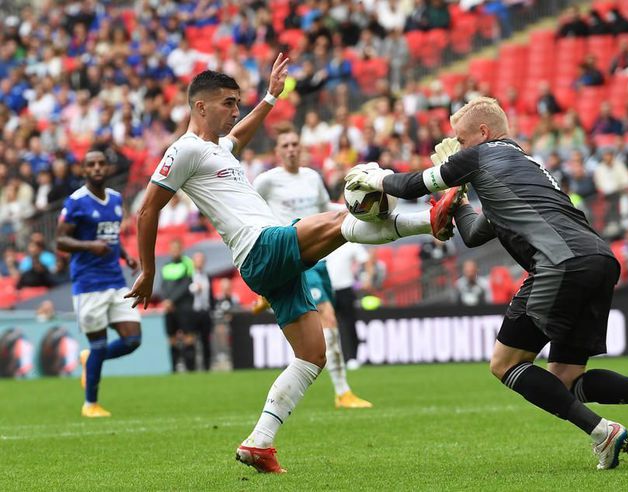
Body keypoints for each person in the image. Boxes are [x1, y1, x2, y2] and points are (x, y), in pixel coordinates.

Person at [124, 58, 462, 473]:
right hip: (260, 247)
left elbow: (238, 138)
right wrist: (149, 271)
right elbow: (147, 211)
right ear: (200, 107)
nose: (235, 111)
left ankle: (260, 442)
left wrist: (269, 98)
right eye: (229, 103)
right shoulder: (184, 149)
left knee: (312, 354)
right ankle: (430, 220)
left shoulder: (215, 150)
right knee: (341, 219)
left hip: (267, 262)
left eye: (237, 103)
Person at [345, 96, 628, 469]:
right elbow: (474, 233)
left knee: (505, 363)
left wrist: (374, 178)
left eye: (461, 140)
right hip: (598, 260)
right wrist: (458, 197)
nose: (457, 148)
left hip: (559, 263)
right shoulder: (522, 165)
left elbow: (412, 184)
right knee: (565, 379)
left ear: (483, 133)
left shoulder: (480, 155)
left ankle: (603, 433)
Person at [253, 125, 373, 409]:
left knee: (319, 324)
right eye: (286, 145)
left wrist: (360, 206)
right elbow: (249, 211)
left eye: (295, 143)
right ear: (277, 151)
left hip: (318, 260)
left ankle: (267, 295)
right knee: (328, 318)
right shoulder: (267, 181)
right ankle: (343, 392)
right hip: (292, 255)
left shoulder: (311, 178)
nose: (292, 149)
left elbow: (325, 208)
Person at [56, 150, 142, 418]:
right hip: (88, 283)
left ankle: (90, 360)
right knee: (99, 345)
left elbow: (112, 237)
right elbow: (60, 241)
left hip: (115, 281)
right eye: (90, 164)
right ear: (84, 171)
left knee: (132, 340)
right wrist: (89, 245)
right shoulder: (76, 202)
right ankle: (90, 404)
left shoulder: (116, 200)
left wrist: (126, 256)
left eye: (101, 164)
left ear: (108, 168)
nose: (96, 168)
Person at [160, 239, 196, 372]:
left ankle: (191, 369)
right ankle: (174, 369)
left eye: (177, 248)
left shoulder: (187, 263)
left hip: (184, 307)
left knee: (188, 337)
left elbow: (186, 285)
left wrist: (171, 301)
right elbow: (162, 286)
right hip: (170, 308)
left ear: (181, 249)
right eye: (172, 249)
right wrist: (165, 301)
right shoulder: (166, 266)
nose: (174, 251)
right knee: (172, 338)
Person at [190, 251, 213, 371]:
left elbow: (211, 295)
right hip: (193, 312)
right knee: (192, 341)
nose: (199, 263)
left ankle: (207, 367)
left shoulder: (208, 276)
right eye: (197, 260)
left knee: (206, 341)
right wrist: (194, 288)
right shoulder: (189, 276)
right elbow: (185, 292)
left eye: (201, 260)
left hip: (205, 312)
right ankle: (192, 368)